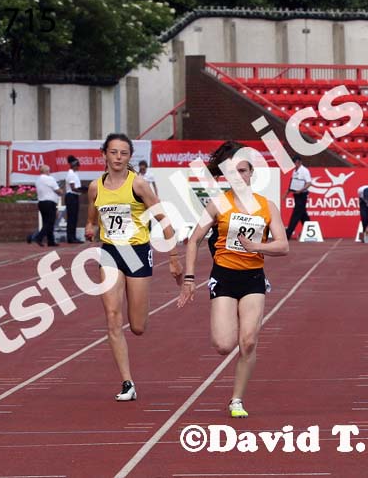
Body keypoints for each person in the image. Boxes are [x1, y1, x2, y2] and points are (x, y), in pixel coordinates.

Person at [177, 141, 289, 418]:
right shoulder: (218, 204)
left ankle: (236, 400)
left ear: (252, 173)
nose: (239, 176)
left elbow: (283, 246)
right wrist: (189, 279)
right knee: (224, 345)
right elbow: (193, 240)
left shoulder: (267, 206)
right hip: (224, 277)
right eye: (233, 172)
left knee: (248, 342)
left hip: (253, 278)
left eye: (244, 170)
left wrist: (257, 248)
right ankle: (226, 319)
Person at [85, 133, 182, 401]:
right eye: (113, 152)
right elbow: (92, 212)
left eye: (123, 153)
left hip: (137, 252)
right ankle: (127, 382)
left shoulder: (138, 185)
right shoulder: (95, 186)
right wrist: (90, 225)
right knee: (113, 317)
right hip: (111, 252)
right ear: (103, 154)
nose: (117, 158)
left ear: (129, 157)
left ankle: (137, 324)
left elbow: (163, 219)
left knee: (137, 326)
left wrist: (173, 256)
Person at [29, 164, 62, 246]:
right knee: (50, 222)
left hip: (41, 202)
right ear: (46, 171)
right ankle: (38, 237)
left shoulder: (38, 180)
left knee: (46, 222)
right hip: (49, 202)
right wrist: (61, 191)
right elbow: (57, 190)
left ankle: (51, 241)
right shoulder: (49, 179)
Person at [284, 155, 313, 240]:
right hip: (296, 195)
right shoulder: (294, 171)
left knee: (296, 214)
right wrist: (286, 193)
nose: (294, 165)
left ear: (299, 162)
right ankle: (310, 231)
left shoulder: (304, 171)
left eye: (295, 163)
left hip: (302, 195)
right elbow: (292, 183)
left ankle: (288, 233)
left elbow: (309, 183)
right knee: (303, 215)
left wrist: (301, 190)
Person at [64, 155, 83, 243]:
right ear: (74, 165)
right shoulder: (71, 174)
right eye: (77, 166)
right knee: (71, 217)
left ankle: (73, 236)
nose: (78, 168)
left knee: (74, 217)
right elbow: (73, 188)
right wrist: (83, 189)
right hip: (71, 196)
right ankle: (70, 237)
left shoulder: (75, 174)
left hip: (75, 196)